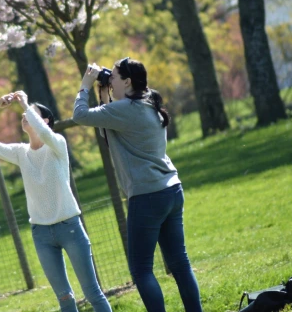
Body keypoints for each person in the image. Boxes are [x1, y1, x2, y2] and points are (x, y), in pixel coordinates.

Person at [73, 57, 203, 312]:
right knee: (179, 264)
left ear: (128, 81)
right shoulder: (148, 101)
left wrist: (85, 85)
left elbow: (79, 115)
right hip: (171, 189)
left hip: (147, 196)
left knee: (141, 270)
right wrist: (104, 95)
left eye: (114, 77)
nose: (110, 80)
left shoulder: (125, 110)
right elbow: (109, 128)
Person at [0, 90, 112, 312]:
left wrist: (25, 104)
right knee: (65, 298)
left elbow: (44, 133)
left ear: (46, 121)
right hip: (41, 234)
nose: (25, 116)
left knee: (92, 293)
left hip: (70, 228)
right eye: (24, 115)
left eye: (31, 114)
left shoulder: (57, 144)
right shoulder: (21, 153)